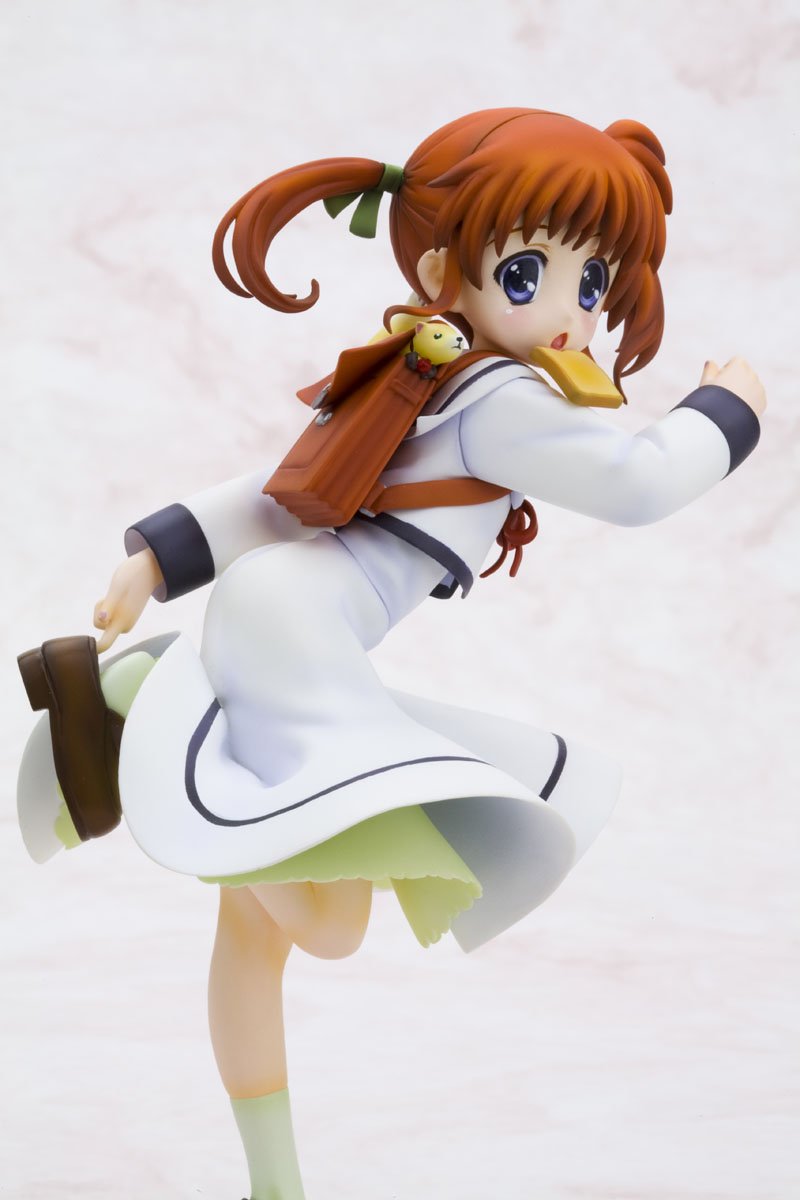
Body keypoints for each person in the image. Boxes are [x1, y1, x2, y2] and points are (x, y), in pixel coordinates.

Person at [17, 108, 765, 1200]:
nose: (569, 310)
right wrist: (728, 409)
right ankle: (144, 707)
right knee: (327, 923)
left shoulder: (424, 373)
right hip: (298, 627)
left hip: (283, 612)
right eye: (529, 274)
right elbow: (638, 483)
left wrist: (159, 557)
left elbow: (284, 498)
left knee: (254, 924)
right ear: (441, 270)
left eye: (593, 282)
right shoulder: (498, 399)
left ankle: (274, 1185)